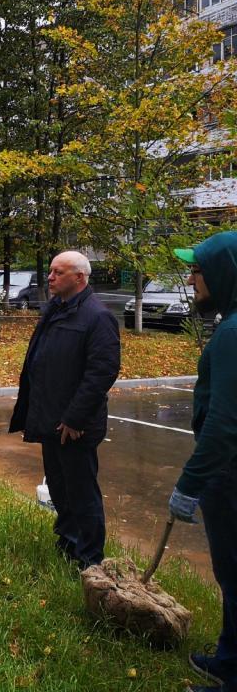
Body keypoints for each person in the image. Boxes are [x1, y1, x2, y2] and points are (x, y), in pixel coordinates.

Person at [9, 250, 119, 569]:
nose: (50, 277)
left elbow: (102, 371)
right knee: (59, 486)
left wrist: (75, 417)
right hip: (50, 418)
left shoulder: (97, 317)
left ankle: (89, 559)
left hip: (75, 425)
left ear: (79, 278)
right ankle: (68, 541)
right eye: (51, 271)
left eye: (58, 272)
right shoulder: (56, 308)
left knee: (82, 491)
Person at [168, 231, 237, 692]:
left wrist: (190, 483)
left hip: (227, 477)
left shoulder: (233, 333)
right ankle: (229, 660)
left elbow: (225, 422)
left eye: (197, 270)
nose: (191, 279)